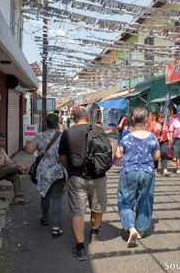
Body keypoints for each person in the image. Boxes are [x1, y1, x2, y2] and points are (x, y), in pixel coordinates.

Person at [58, 106, 113, 261]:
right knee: (97, 206)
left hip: (76, 177)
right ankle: (94, 232)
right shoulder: (99, 129)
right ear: (87, 117)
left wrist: (70, 170)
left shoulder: (67, 133)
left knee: (77, 211)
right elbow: (110, 149)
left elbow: (62, 157)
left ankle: (81, 248)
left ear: (73, 118)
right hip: (98, 175)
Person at [115, 107, 160, 248]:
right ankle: (141, 229)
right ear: (146, 119)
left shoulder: (125, 135)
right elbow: (157, 156)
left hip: (129, 171)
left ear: (133, 119)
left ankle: (130, 227)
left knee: (125, 200)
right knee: (145, 199)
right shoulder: (152, 136)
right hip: (147, 171)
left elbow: (118, 155)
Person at [25, 114, 67, 238]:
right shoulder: (63, 136)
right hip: (58, 171)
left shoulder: (39, 136)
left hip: (43, 172)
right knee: (57, 198)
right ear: (58, 124)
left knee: (45, 196)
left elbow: (29, 150)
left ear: (45, 124)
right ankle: (55, 228)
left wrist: (28, 144)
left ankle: (45, 219)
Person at [0, 132, 30, 205]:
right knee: (11, 167)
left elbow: (9, 161)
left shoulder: (1, 149)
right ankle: (21, 172)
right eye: (2, 141)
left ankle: (18, 197)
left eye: (4, 141)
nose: (3, 142)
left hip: (2, 171)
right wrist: (6, 164)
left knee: (16, 175)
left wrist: (21, 166)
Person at [149, 112, 170, 176]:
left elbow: (167, 132)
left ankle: (165, 169)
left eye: (163, 117)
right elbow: (150, 133)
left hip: (164, 140)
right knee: (156, 155)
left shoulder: (165, 124)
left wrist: (170, 139)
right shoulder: (153, 124)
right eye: (161, 117)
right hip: (155, 141)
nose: (163, 119)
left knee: (164, 154)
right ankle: (155, 169)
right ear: (158, 118)